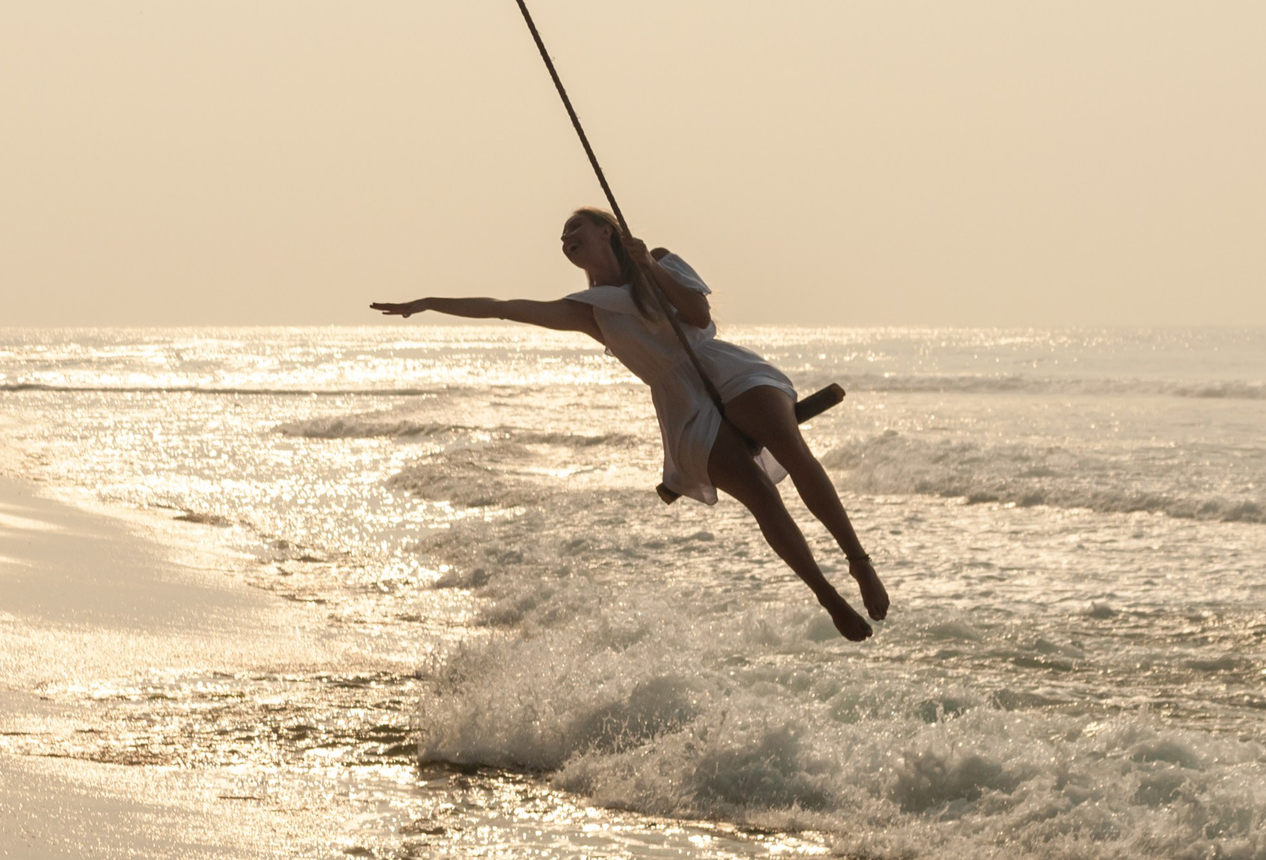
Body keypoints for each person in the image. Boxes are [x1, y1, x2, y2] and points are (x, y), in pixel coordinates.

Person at [372, 207, 888, 641]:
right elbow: (506, 309)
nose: (566, 240)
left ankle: (858, 560)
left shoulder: (658, 260)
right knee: (760, 494)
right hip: (680, 404)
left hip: (722, 366)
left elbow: (699, 315)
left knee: (792, 450)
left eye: (576, 228)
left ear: (607, 231)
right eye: (561, 238)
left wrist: (649, 268)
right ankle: (826, 595)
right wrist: (427, 303)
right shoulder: (591, 310)